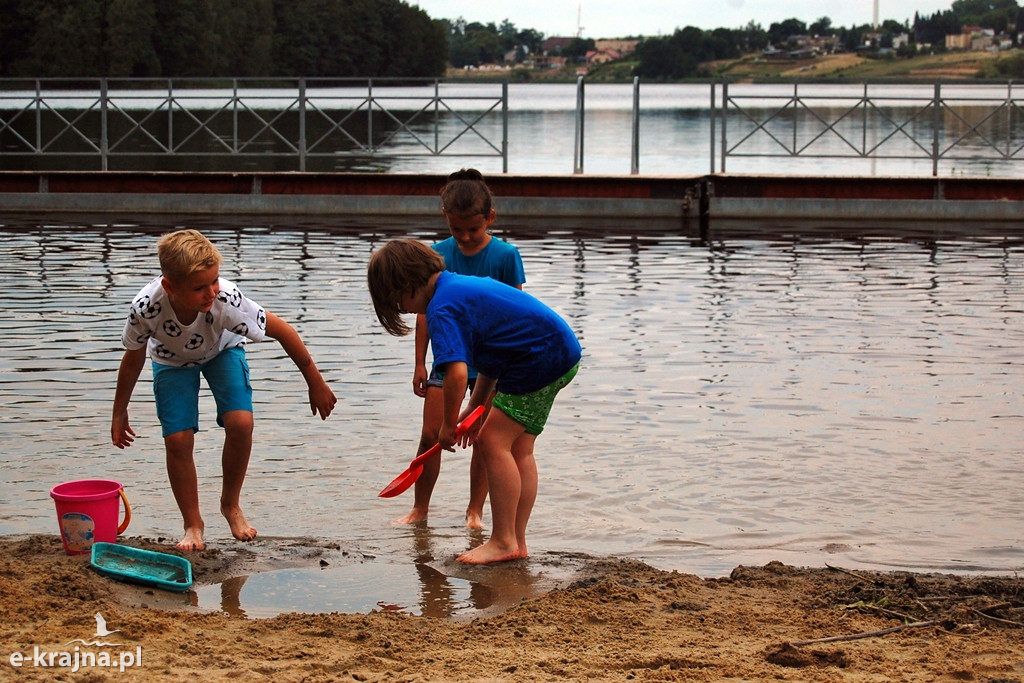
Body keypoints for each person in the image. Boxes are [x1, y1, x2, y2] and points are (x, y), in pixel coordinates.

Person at [110, 229, 336, 551]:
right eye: (200, 287)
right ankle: (193, 524)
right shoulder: (146, 307)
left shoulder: (227, 300)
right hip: (171, 361)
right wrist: (120, 411)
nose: (211, 292)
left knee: (241, 423)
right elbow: (132, 358)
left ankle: (231, 505)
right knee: (177, 439)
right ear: (169, 286)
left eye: (214, 281)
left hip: (222, 350)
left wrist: (315, 381)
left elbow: (283, 330)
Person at [367, 239, 581, 565]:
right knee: (519, 448)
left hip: (539, 359)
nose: (405, 311)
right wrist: (475, 406)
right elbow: (492, 357)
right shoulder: (457, 287)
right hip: (557, 351)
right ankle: (516, 541)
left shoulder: (441, 307)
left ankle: (504, 540)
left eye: (397, 303)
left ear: (406, 286)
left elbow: (455, 373)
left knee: (492, 441)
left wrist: (447, 426)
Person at [396, 168, 526, 528]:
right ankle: (420, 509)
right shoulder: (434, 256)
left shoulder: (505, 255)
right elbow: (424, 314)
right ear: (446, 220)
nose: (466, 237)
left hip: (492, 363)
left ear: (490, 218)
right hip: (447, 357)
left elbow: (515, 310)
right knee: (430, 434)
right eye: (457, 230)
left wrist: (510, 366)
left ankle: (474, 511)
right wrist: (420, 363)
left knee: (485, 438)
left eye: (474, 228)